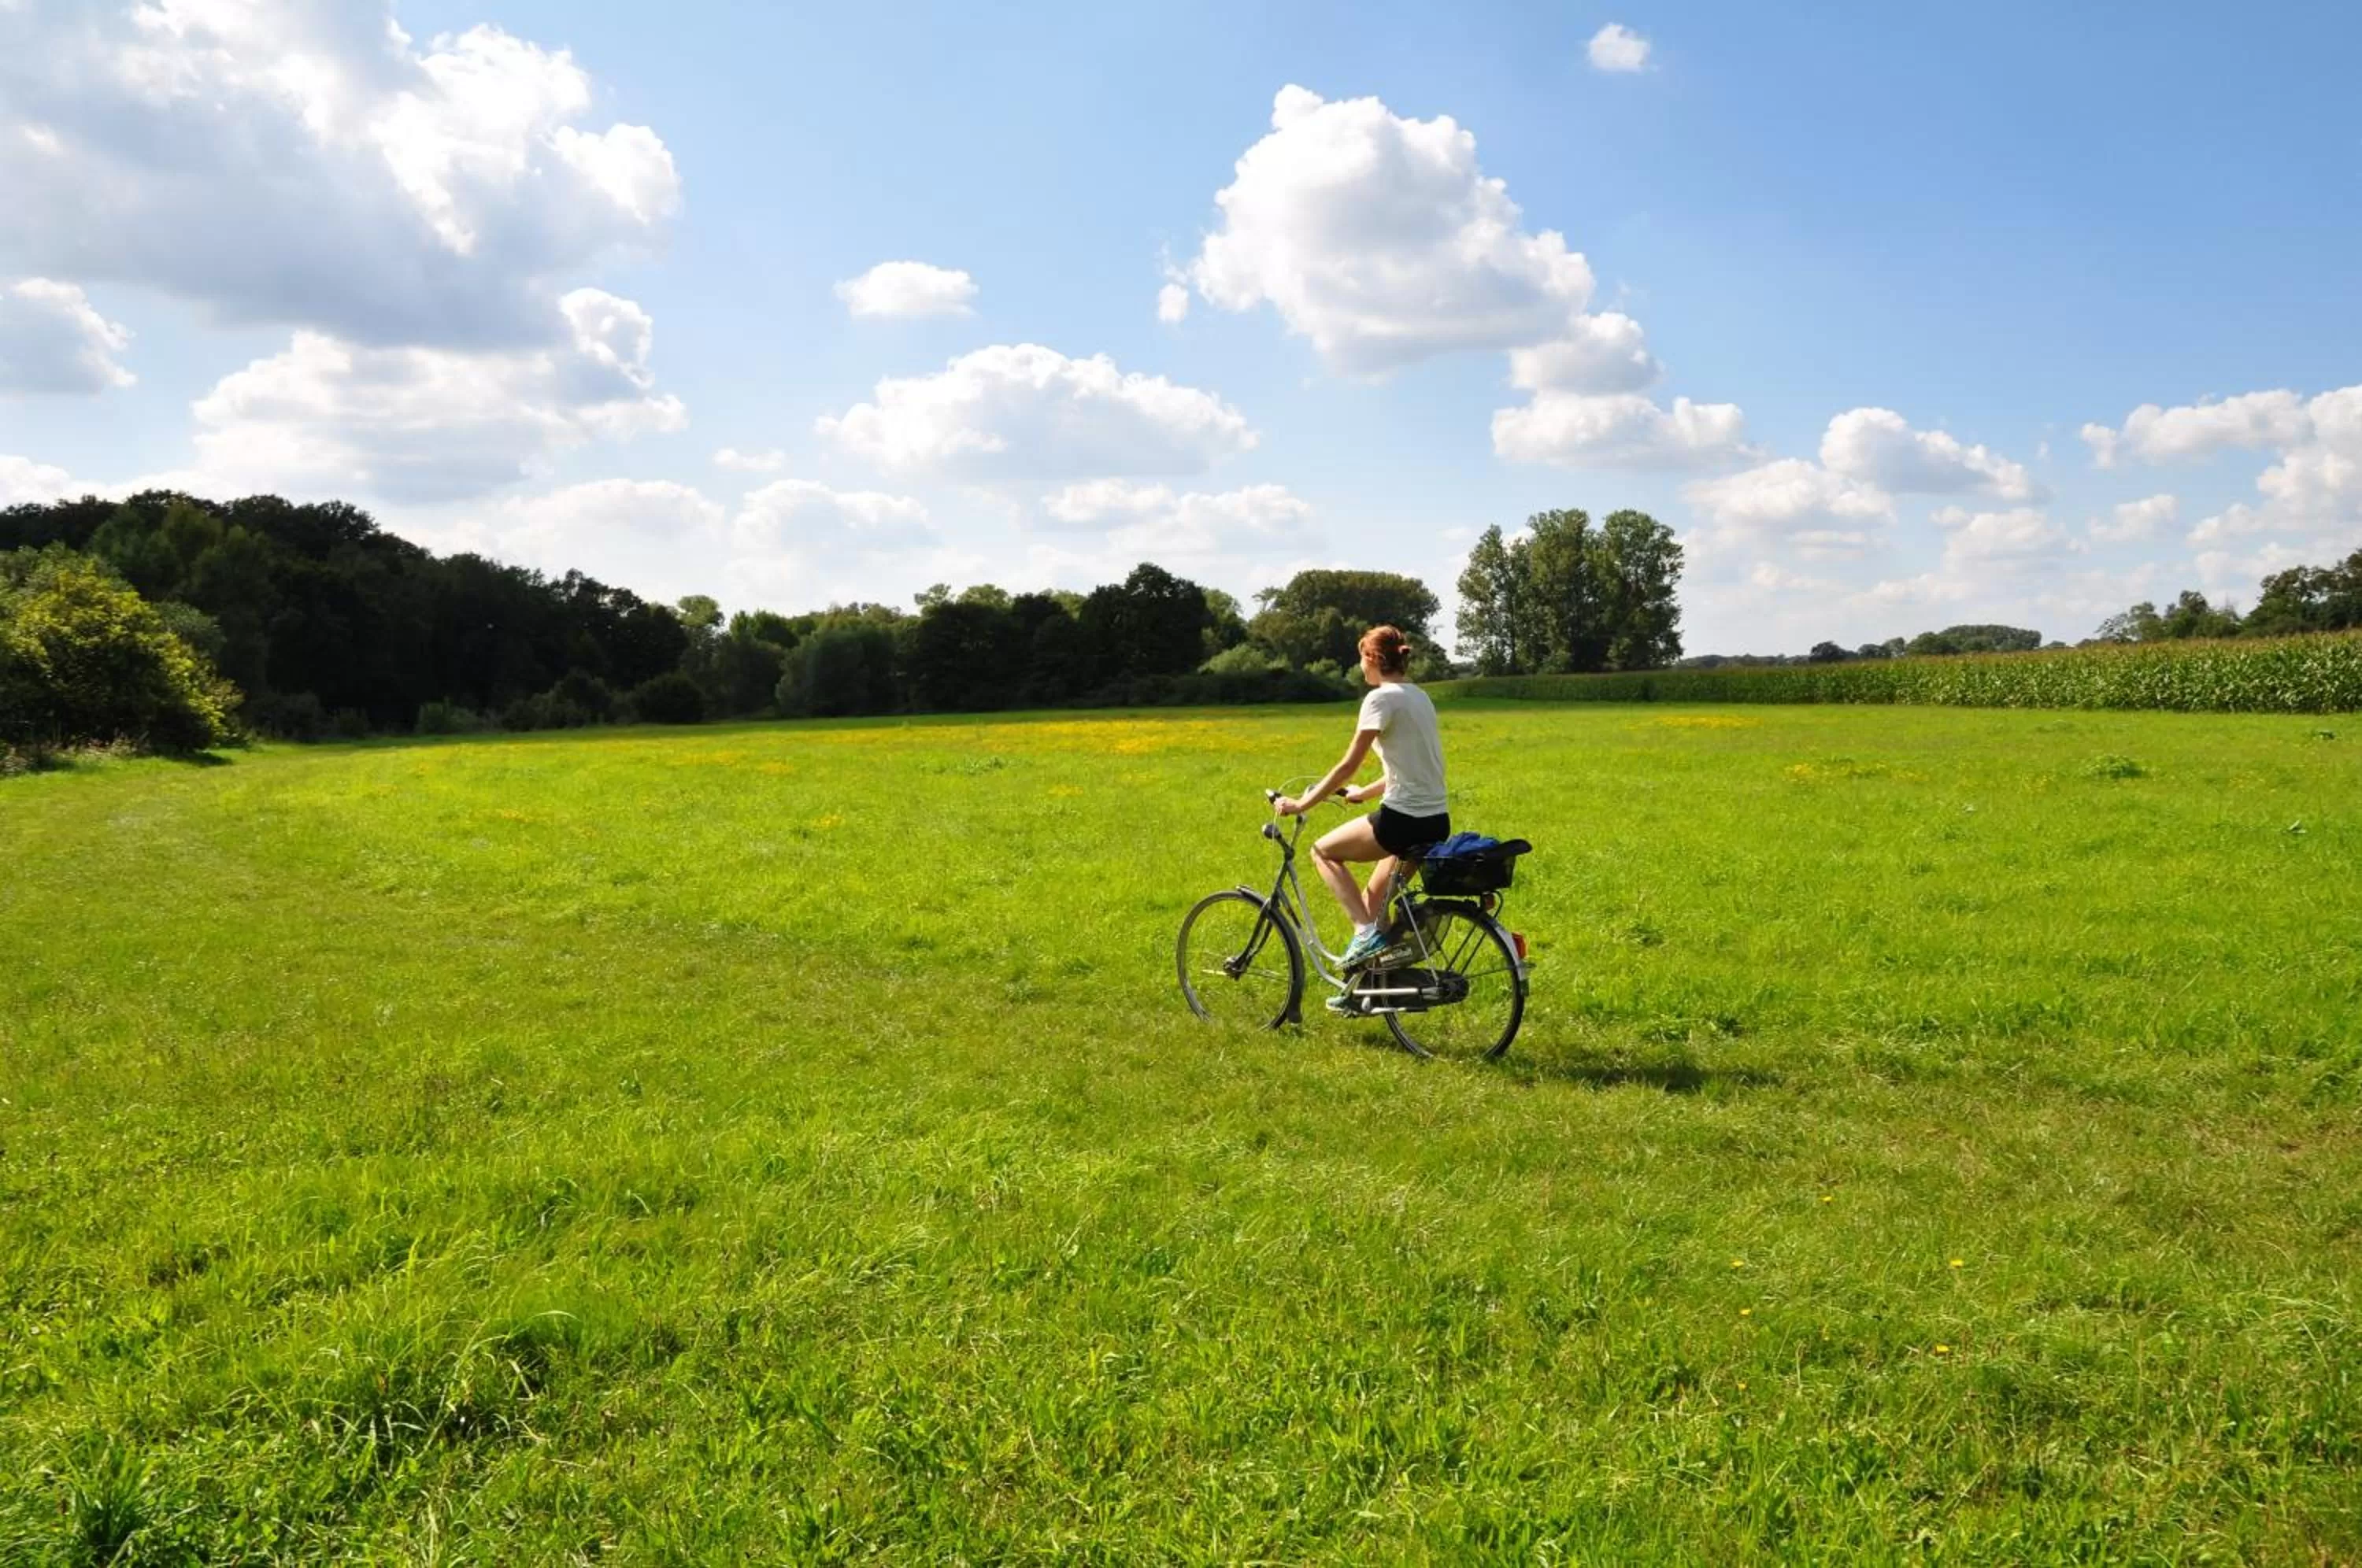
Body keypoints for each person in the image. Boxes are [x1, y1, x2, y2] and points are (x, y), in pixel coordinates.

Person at [1275, 624, 1450, 978]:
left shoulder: (1380, 698)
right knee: (1374, 903)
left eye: (1361, 659)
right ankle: (1370, 988)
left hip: (1402, 821)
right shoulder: (1420, 696)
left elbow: (1348, 764)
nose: (1360, 668)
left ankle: (1364, 934)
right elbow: (1405, 768)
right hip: (1435, 820)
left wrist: (1300, 805)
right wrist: (1361, 794)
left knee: (1322, 851)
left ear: (1372, 658)